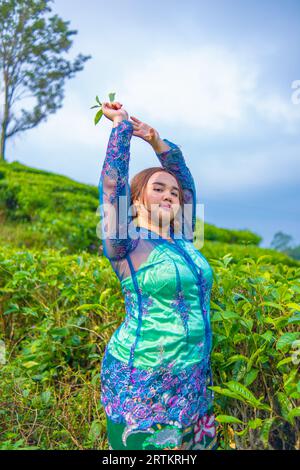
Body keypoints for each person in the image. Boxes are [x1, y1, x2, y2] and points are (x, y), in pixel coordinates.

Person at [98, 101, 218, 450]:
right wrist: (121, 129)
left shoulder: (184, 236)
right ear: (135, 201)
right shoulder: (127, 243)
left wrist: (156, 140)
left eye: (174, 192)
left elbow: (188, 184)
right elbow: (112, 185)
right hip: (145, 379)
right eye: (158, 189)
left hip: (195, 378)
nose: (170, 195)